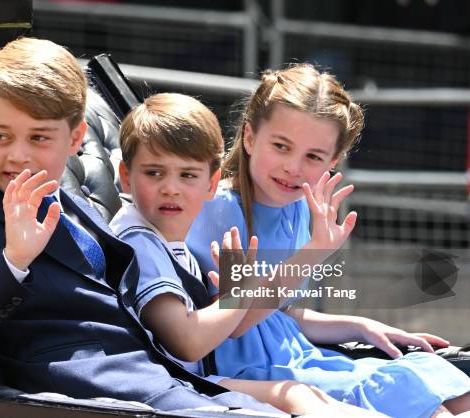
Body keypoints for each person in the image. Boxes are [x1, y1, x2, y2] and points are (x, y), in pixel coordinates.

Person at [0, 37, 288, 414]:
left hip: (162, 376)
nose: (17, 155)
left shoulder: (69, 202)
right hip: (87, 395)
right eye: (0, 136)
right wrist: (13, 259)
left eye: (39, 137)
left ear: (75, 138)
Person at [186, 63, 470, 418]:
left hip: (302, 357)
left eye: (313, 157)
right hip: (252, 373)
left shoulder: (300, 210)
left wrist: (361, 326)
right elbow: (237, 324)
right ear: (249, 138)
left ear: (332, 162)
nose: (293, 167)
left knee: (440, 377)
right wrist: (313, 251)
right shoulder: (221, 211)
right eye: (281, 146)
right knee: (406, 390)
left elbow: (283, 316)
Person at [110, 92, 386, 417]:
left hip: (199, 377)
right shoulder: (139, 240)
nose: (171, 188)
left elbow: (267, 314)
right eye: (154, 173)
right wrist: (240, 292)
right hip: (185, 385)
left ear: (209, 183)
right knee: (306, 397)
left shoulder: (167, 236)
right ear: (126, 177)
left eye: (187, 175)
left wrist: (357, 324)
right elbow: (188, 342)